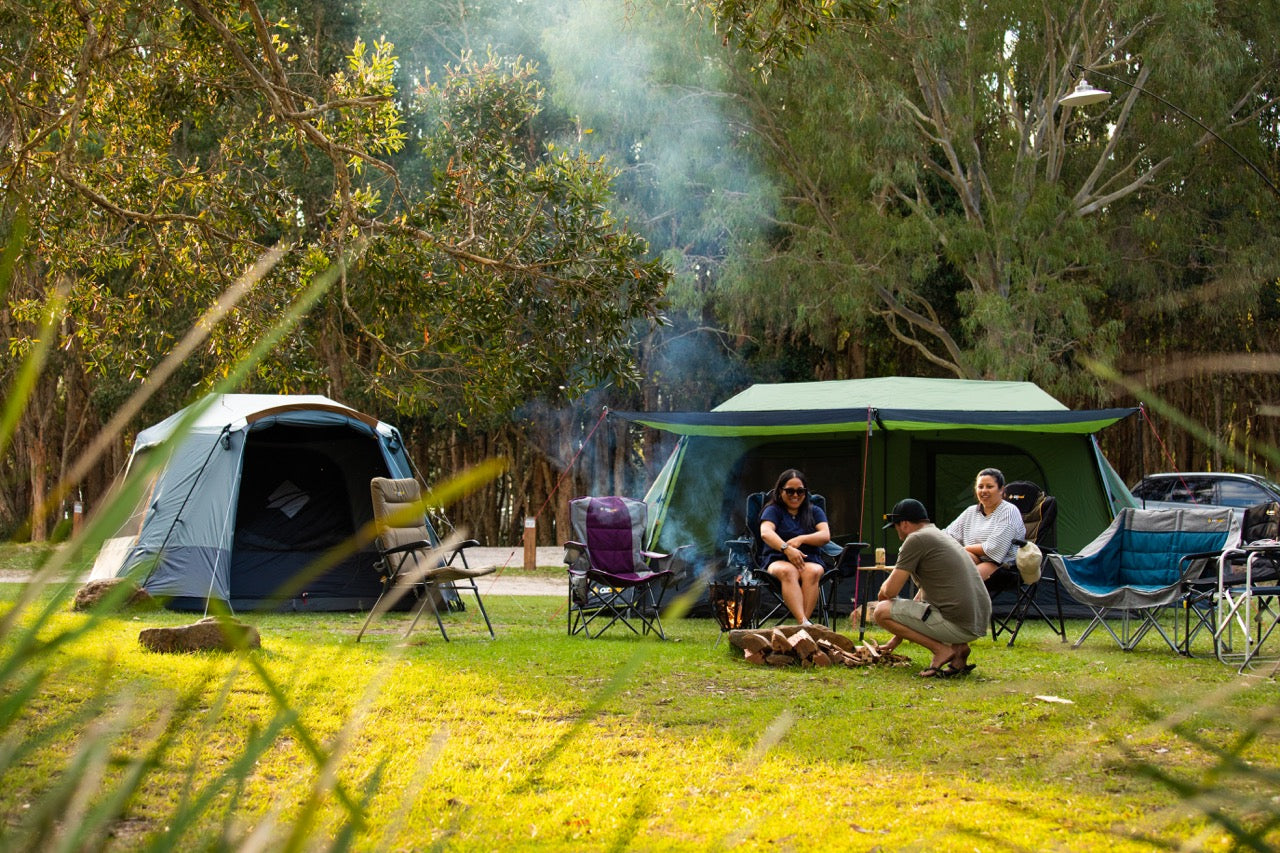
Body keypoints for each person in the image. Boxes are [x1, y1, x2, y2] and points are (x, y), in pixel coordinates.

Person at [873, 498, 992, 677]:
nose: (897, 531)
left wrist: (883, 589)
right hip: (977, 620)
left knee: (881, 610)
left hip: (960, 623)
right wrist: (895, 639)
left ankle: (941, 650)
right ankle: (959, 652)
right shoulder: (939, 534)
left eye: (895, 526)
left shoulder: (915, 539)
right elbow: (921, 598)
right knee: (919, 606)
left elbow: (889, 592)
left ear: (904, 524)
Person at [758, 468, 831, 626]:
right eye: (790, 491)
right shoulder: (773, 510)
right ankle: (804, 623)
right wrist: (787, 549)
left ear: (806, 492)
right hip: (778, 559)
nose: (796, 495)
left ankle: (803, 625)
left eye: (800, 491)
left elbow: (825, 535)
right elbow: (765, 533)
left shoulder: (814, 511)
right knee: (788, 571)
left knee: (814, 571)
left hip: (809, 559)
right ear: (780, 491)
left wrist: (801, 539)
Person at [945, 467, 1024, 580]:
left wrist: (963, 549)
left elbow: (994, 549)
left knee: (961, 580)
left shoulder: (1009, 511)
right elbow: (948, 535)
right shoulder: (971, 511)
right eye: (980, 487)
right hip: (973, 558)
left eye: (989, 486)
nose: (984, 490)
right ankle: (920, 598)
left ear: (1001, 490)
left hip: (1002, 565)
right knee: (942, 564)